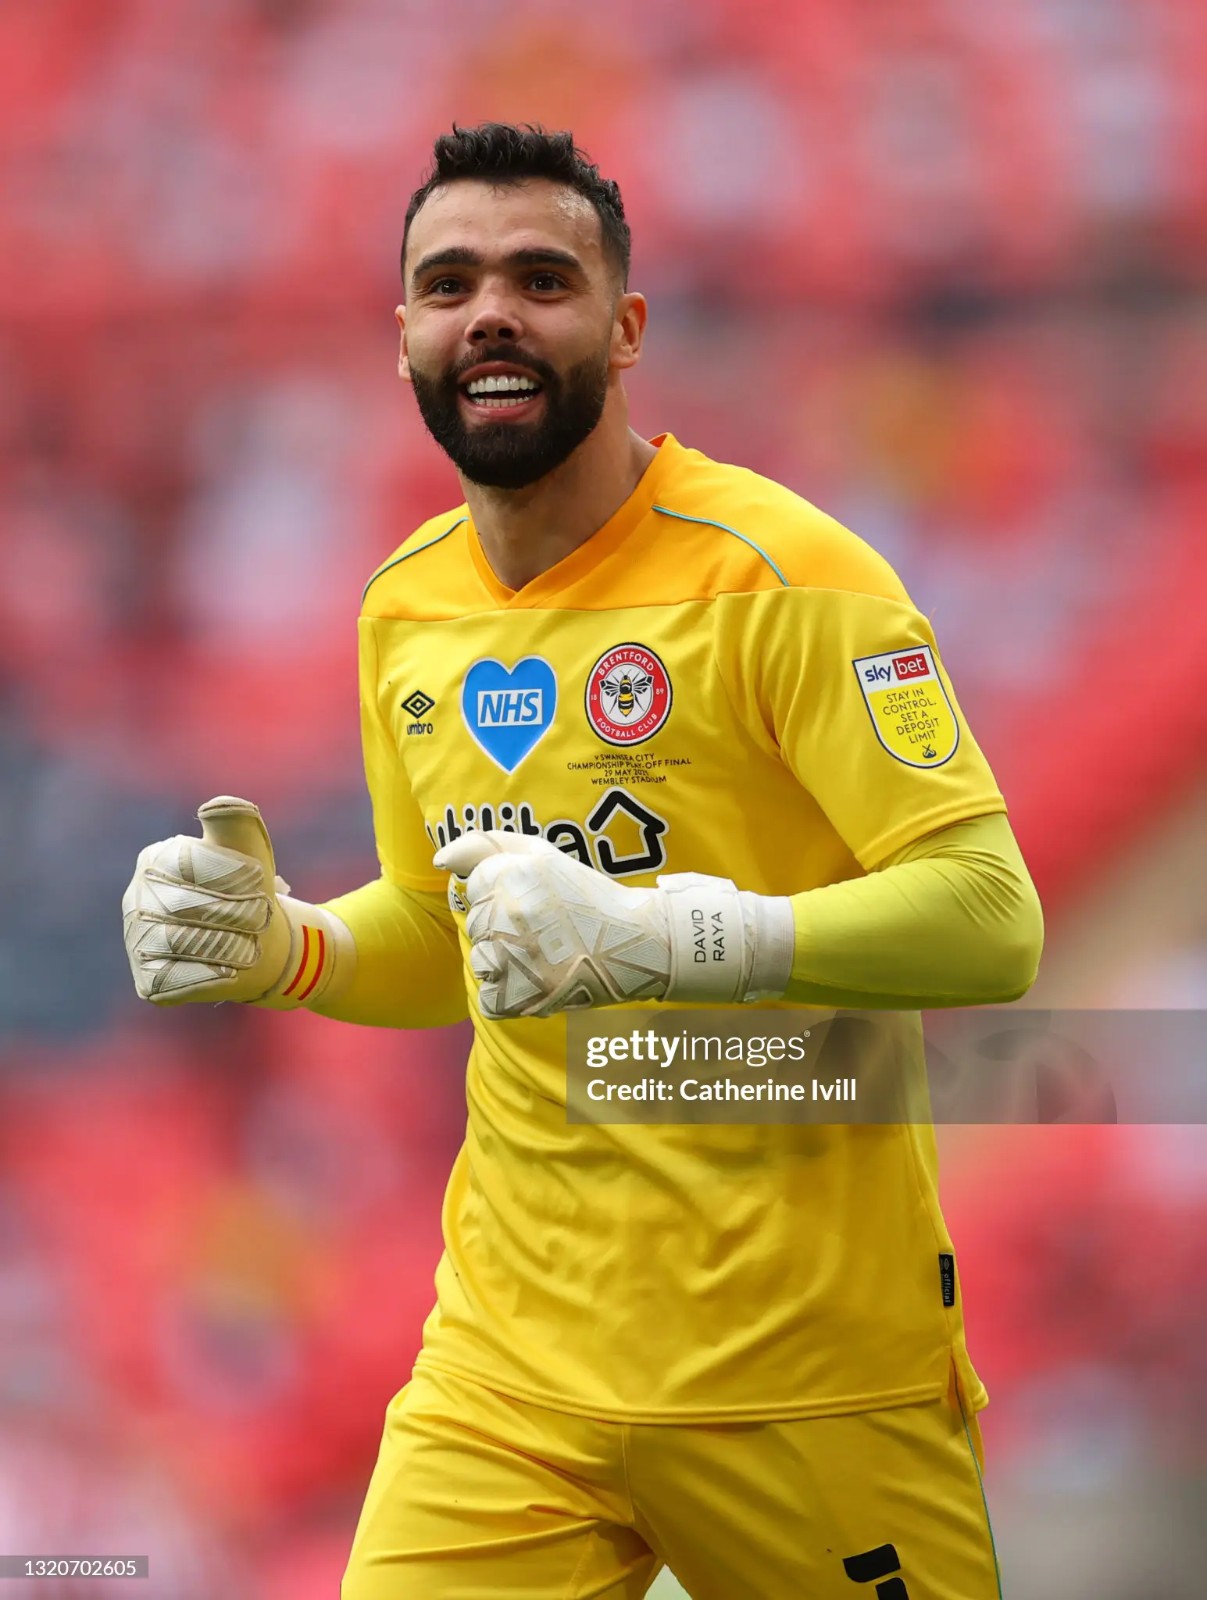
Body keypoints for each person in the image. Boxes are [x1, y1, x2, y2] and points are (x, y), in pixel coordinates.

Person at [123, 123, 1042, 1599]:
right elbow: (453, 933)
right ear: (404, 336)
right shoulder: (405, 609)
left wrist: (678, 937)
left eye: (541, 278)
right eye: (451, 282)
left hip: (803, 1376)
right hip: (509, 1374)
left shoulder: (788, 577)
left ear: (624, 330)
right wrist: (295, 948)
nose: (491, 310)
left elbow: (994, 923)